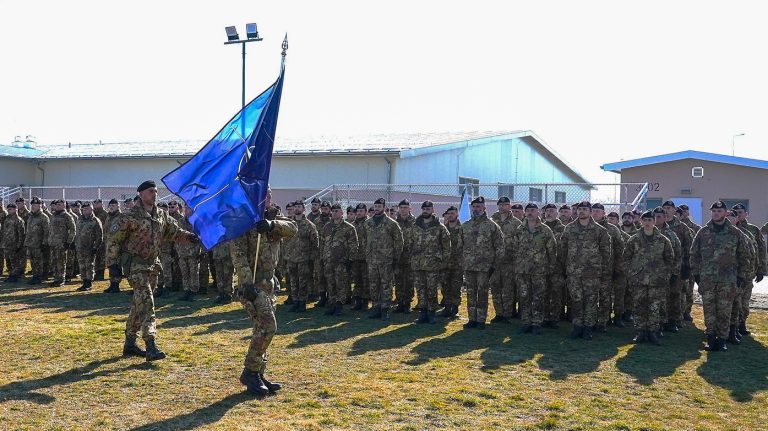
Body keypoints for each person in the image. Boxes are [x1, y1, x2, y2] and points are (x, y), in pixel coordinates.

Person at [107, 180, 198, 361]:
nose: (154, 194)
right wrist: (113, 265)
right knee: (147, 302)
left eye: (155, 191)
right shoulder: (129, 216)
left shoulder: (161, 215)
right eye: (150, 191)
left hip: (153, 266)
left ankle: (130, 343)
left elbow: (174, 232)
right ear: (141, 194)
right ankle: (151, 344)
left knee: (139, 304)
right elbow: (113, 240)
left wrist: (192, 238)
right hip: (135, 266)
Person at [230, 188, 297, 396]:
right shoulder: (242, 220)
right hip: (253, 284)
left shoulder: (273, 218)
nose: (267, 199)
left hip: (270, 282)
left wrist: (271, 225)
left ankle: (258, 373)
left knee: (262, 329)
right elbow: (238, 254)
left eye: (268, 195)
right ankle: (250, 372)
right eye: (262, 195)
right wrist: (247, 283)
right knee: (268, 326)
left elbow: (293, 228)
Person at [690, 201, 750, 352]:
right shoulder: (703, 232)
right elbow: (694, 254)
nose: (716, 213)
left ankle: (722, 340)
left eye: (719, 210)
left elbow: (744, 256)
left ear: (725, 212)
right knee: (709, 311)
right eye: (714, 211)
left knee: (724, 311)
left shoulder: (735, 233)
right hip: (707, 279)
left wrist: (741, 277)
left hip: (728, 280)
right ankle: (710, 338)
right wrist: (697, 274)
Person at [559, 201, 611, 340]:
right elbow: (563, 250)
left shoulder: (600, 230)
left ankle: (588, 328)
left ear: (590, 211)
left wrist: (603, 271)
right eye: (580, 209)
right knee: (576, 300)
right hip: (574, 272)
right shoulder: (569, 229)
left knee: (590, 301)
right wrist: (564, 268)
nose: (581, 211)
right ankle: (577, 327)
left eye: (585, 209)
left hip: (592, 273)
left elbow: (606, 253)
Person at [622, 210, 674, 345]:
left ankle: (652, 332)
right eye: (644, 220)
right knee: (639, 305)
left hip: (656, 280)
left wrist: (664, 275)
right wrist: (631, 273)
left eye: (650, 220)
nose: (647, 223)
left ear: (654, 222)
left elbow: (669, 259)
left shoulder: (663, 240)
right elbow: (626, 258)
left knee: (654, 306)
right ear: (641, 222)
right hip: (638, 279)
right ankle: (640, 332)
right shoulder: (634, 239)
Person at [512, 203, 557, 334]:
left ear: (538, 212)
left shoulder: (545, 230)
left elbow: (552, 251)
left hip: (539, 270)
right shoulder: (519, 230)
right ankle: (526, 323)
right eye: (528, 211)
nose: (530, 213)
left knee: (538, 297)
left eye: (533, 210)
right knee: (524, 297)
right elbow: (515, 249)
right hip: (523, 270)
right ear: (525, 213)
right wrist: (518, 266)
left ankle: (537, 323)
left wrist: (550, 268)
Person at [461, 196, 504, 329]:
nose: (476, 209)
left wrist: (494, 265)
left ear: (484, 208)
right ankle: (471, 319)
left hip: (484, 267)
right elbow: (459, 246)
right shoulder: (465, 225)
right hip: (469, 266)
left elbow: (500, 247)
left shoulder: (492, 226)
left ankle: (481, 320)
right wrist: (462, 262)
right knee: (470, 292)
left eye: (479, 207)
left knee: (482, 293)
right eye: (474, 207)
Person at [407, 201, 450, 324]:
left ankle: (431, 313)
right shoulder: (415, 227)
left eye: (428, 209)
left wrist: (443, 262)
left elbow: (447, 246)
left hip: (433, 264)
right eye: (424, 209)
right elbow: (409, 244)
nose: (426, 211)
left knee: (431, 289)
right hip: (418, 263)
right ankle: (422, 313)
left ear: (432, 210)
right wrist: (412, 258)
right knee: (420, 289)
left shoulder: (440, 227)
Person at [364, 198, 403, 321]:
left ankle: (385, 309)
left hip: (386, 259)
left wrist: (395, 257)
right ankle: (376, 307)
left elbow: (399, 241)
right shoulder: (368, 223)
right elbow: (365, 240)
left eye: (379, 206)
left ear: (385, 207)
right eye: (375, 206)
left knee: (386, 284)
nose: (377, 208)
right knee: (374, 284)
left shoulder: (391, 223)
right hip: (372, 259)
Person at [732, 203, 766, 336]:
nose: (739, 214)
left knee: (744, 301)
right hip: (731, 274)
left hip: (748, 273)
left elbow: (761, 250)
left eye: (741, 212)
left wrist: (761, 269)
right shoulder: (727, 229)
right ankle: (730, 326)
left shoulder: (753, 230)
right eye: (736, 212)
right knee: (732, 301)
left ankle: (741, 324)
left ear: (746, 214)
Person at [322, 203, 358, 315]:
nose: (334, 213)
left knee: (340, 284)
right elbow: (323, 243)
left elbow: (354, 245)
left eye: (337, 211)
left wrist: (350, 260)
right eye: (333, 211)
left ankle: (339, 305)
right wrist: (323, 257)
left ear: (342, 212)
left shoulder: (349, 228)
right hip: (328, 261)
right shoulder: (327, 227)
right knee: (330, 283)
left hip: (341, 262)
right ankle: (332, 304)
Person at [490, 196, 521, 322]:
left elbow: (520, 243)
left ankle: (507, 314)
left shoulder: (516, 223)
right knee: (495, 287)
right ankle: (499, 313)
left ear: (510, 206)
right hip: (494, 262)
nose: (502, 207)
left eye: (505, 204)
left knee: (508, 289)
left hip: (510, 261)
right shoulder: (492, 221)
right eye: (500, 205)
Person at [284, 200, 319, 312]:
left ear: (304, 209)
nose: (297, 209)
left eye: (300, 207)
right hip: (291, 258)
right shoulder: (289, 224)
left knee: (303, 281)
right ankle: (295, 301)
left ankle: (302, 303)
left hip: (304, 259)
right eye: (296, 207)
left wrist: (312, 258)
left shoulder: (309, 225)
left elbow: (315, 243)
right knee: (293, 281)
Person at [542, 203, 566, 326]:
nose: (549, 213)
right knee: (543, 293)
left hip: (557, 267)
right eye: (547, 211)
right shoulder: (540, 228)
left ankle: (555, 318)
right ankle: (544, 317)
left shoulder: (563, 229)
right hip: (542, 267)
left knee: (556, 293)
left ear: (557, 213)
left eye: (552, 211)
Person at [440, 206, 464, 319]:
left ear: (457, 214)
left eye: (453, 213)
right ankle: (446, 307)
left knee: (456, 287)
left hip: (458, 263)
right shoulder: (443, 229)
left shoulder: (462, 229)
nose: (450, 215)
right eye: (448, 213)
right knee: (445, 286)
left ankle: (455, 309)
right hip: (445, 263)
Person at [74, 202, 103, 291]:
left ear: (91, 209)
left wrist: (95, 247)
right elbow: (77, 233)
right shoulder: (80, 219)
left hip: (89, 248)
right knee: (82, 265)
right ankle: (84, 281)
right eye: (84, 209)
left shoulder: (95, 220)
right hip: (80, 247)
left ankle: (89, 283)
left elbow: (99, 236)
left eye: (87, 209)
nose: (85, 211)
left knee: (89, 265)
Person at [394, 199, 416, 313]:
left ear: (409, 209)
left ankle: (407, 303)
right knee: (398, 280)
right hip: (398, 256)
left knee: (409, 281)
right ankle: (399, 303)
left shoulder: (415, 222)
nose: (403, 210)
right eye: (401, 208)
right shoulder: (394, 222)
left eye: (405, 208)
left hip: (410, 256)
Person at [48, 200, 76, 287]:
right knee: (54, 262)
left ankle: (61, 280)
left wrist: (68, 242)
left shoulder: (67, 216)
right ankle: (56, 278)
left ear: (64, 206)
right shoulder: (53, 216)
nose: (57, 206)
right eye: (56, 205)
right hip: (53, 243)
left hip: (61, 244)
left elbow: (73, 230)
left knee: (61, 262)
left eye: (59, 205)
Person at [177, 205, 202, 301]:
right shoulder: (181, 221)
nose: (186, 210)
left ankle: (194, 291)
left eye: (188, 208)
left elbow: (201, 236)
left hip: (193, 251)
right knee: (184, 272)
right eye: (185, 208)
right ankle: (186, 290)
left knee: (193, 272)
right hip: (182, 251)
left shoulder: (197, 220)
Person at [24, 197, 50, 285]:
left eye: (35, 205)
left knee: (38, 262)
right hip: (31, 243)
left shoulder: (44, 217)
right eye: (32, 205)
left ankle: (38, 277)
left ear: (40, 206)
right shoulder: (30, 216)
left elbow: (47, 231)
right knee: (32, 261)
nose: (33, 207)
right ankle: (35, 276)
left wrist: (44, 243)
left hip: (38, 244)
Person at [350, 203, 370, 311]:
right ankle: (357, 301)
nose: (359, 213)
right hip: (355, 257)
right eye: (357, 211)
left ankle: (365, 302)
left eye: (361, 211)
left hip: (366, 257)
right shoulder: (352, 224)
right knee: (357, 280)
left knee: (366, 280)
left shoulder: (370, 224)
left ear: (366, 212)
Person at [1, 203, 25, 282]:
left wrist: (19, 245)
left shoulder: (18, 220)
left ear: (15, 209)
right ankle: (11, 275)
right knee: (8, 261)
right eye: (8, 209)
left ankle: (14, 276)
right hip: (6, 244)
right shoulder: (7, 218)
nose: (9, 210)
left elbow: (21, 234)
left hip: (14, 245)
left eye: (10, 209)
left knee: (14, 262)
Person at [103, 199, 123, 293]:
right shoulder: (109, 217)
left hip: (117, 246)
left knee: (116, 266)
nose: (111, 207)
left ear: (118, 206)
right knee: (111, 265)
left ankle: (116, 285)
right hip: (109, 246)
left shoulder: (121, 217)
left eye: (114, 205)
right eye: (110, 205)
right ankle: (112, 284)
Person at [92, 199, 108, 280]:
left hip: (102, 238)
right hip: (93, 238)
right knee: (95, 257)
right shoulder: (92, 213)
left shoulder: (105, 214)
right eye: (95, 203)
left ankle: (100, 274)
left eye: (98, 203)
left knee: (101, 257)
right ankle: (95, 272)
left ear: (102, 204)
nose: (96, 204)